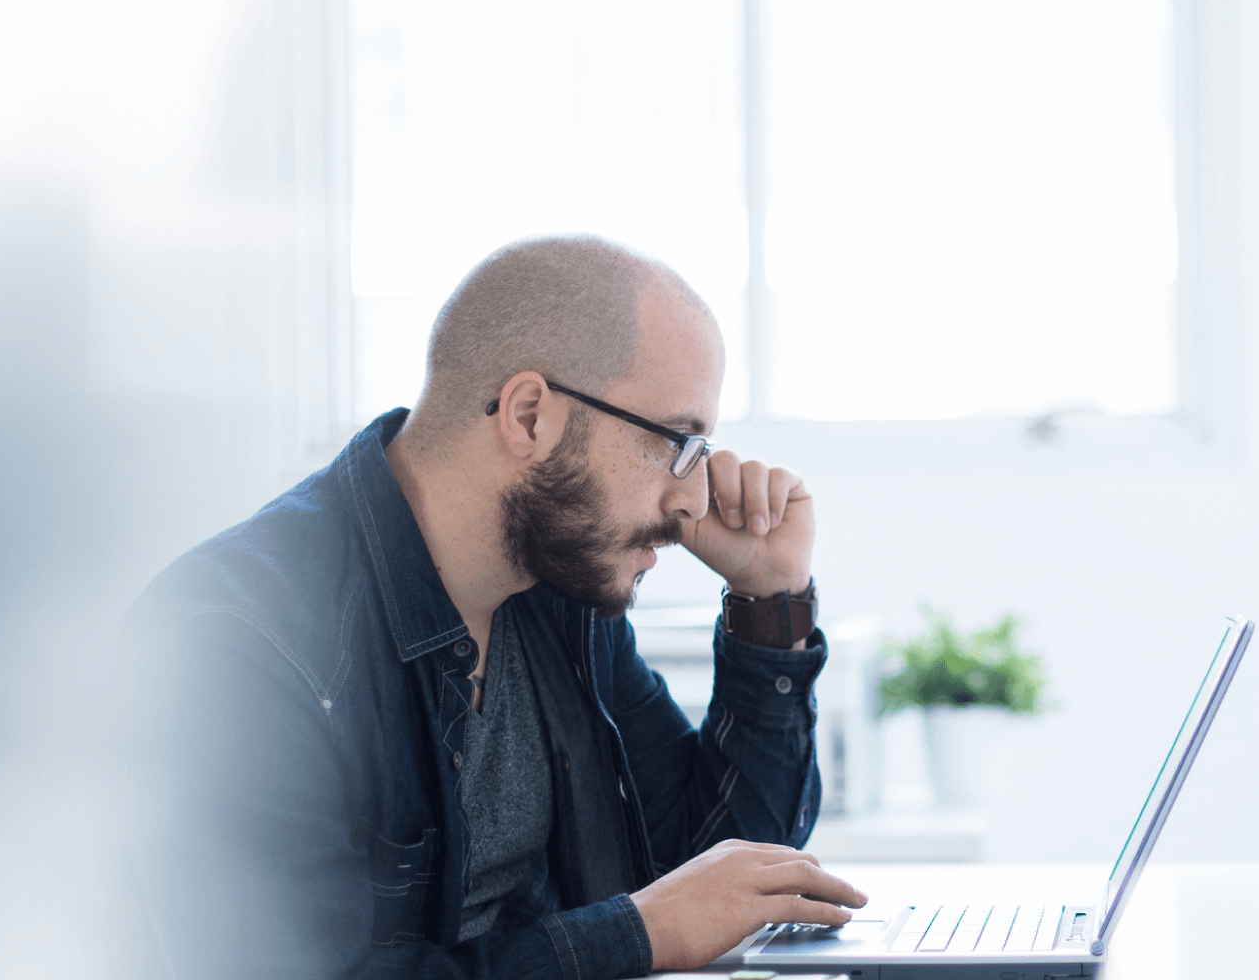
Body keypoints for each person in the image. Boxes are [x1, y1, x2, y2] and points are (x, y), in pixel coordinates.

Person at [118, 235, 866, 979]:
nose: (694, 499)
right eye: (675, 443)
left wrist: (768, 599)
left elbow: (725, 878)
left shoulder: (562, 599)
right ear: (530, 416)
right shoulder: (233, 647)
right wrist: (635, 936)